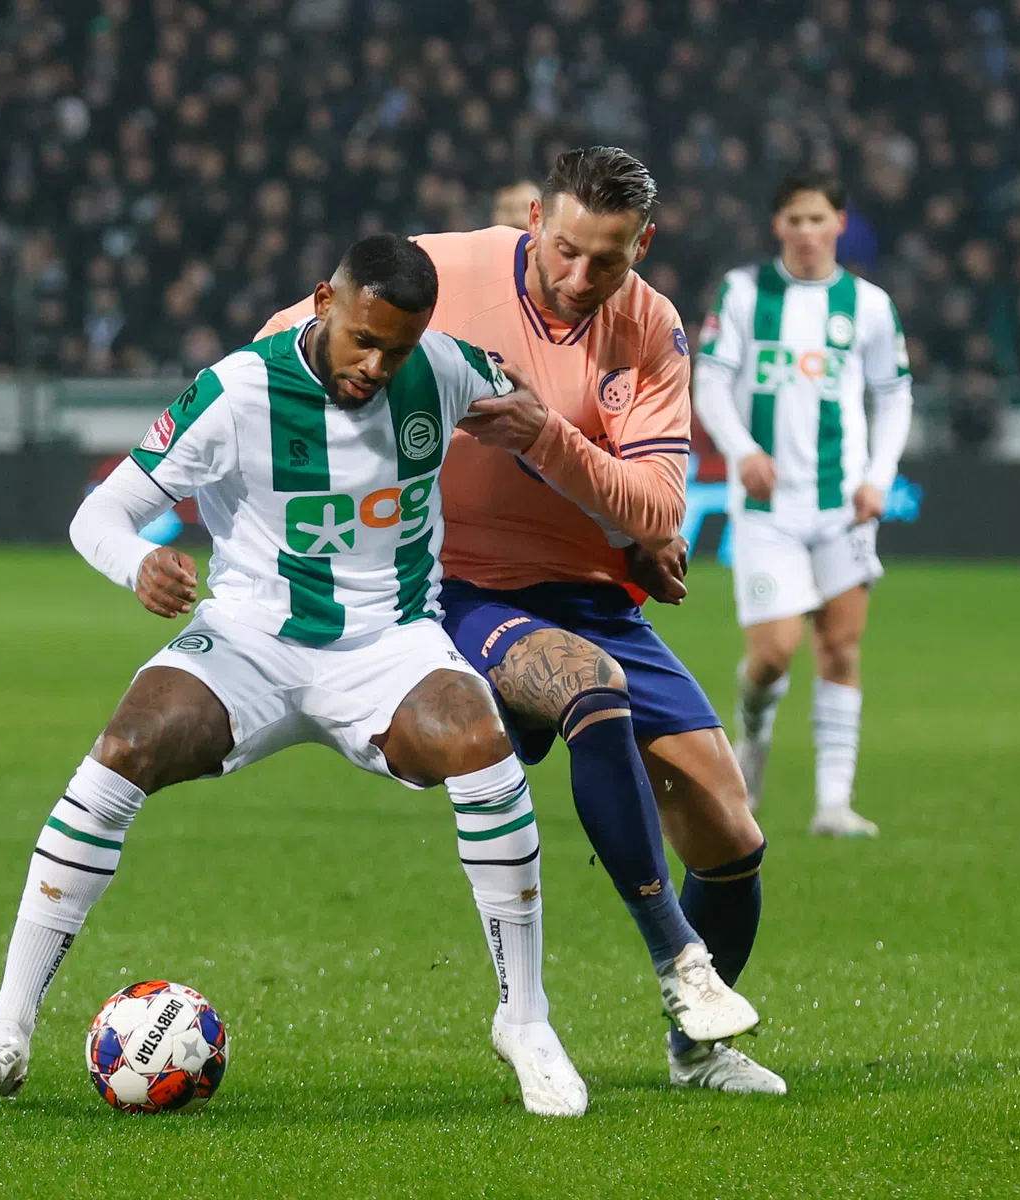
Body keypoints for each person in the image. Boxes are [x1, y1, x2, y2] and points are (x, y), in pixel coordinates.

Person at [0, 235, 603, 1115]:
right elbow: (101, 511)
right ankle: (7, 1026)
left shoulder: (442, 369)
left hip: (389, 645)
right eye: (362, 339)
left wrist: (629, 521)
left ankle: (525, 1020)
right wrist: (139, 562)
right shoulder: (235, 391)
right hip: (252, 638)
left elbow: (526, 404)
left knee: (484, 746)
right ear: (322, 301)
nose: (375, 364)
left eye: (397, 348)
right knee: (122, 749)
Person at [263, 148, 783, 1094]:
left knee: (731, 834)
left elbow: (660, 511)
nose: (582, 278)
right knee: (590, 687)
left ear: (643, 244)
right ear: (534, 218)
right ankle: (679, 963)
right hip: (457, 586)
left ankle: (696, 1053)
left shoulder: (653, 327)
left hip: (591, 594)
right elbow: (289, 346)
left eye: (609, 260)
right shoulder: (446, 270)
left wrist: (549, 438)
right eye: (567, 250)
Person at [693, 167, 915, 838]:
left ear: (840, 224)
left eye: (819, 219)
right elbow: (709, 380)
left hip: (841, 504)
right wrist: (741, 449)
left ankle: (833, 804)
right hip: (767, 510)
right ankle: (751, 760)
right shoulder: (742, 292)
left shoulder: (869, 306)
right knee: (773, 654)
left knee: (841, 648)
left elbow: (894, 394)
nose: (808, 232)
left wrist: (878, 476)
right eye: (795, 219)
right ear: (777, 225)